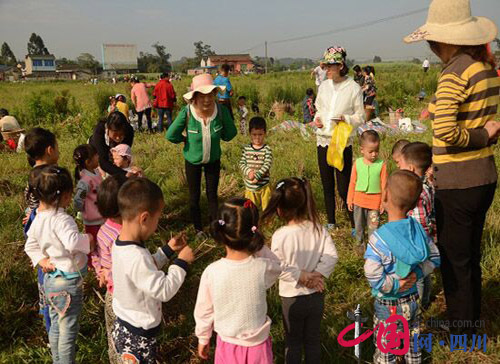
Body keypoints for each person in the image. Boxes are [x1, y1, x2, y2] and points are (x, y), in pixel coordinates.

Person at [404, 0, 500, 334]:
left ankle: (461, 329)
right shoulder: (484, 68)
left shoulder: (454, 72)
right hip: (484, 177)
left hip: (458, 181)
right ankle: (470, 318)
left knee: (456, 260)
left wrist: (480, 135)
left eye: (432, 41)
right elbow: (478, 116)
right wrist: (484, 133)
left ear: (444, 40)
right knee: (470, 253)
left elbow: (446, 130)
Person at [112, 178, 194, 364]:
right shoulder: (136, 256)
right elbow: (163, 290)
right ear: (145, 218)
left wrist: (167, 250)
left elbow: (144, 270)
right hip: (139, 336)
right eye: (157, 219)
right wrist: (181, 263)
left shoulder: (121, 244)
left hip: (126, 326)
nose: (157, 225)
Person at [364, 170, 440, 364]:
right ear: (415, 204)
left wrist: (394, 285)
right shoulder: (416, 229)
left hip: (388, 304)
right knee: (412, 343)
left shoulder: (378, 238)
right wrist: (417, 274)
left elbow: (372, 274)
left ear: (385, 196)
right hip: (413, 300)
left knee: (386, 348)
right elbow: (435, 256)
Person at [194, 198, 281, 364]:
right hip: (259, 348)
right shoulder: (263, 267)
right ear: (253, 231)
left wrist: (203, 338)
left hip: (227, 347)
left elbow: (204, 311)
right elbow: (278, 265)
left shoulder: (212, 272)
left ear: (221, 231)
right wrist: (259, 246)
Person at [261, 178, 338, 364]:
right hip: (316, 294)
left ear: (279, 208)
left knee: (293, 342)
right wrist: (316, 276)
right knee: (312, 340)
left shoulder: (281, 235)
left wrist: (301, 277)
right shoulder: (319, 229)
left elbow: (277, 265)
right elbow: (331, 256)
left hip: (291, 298)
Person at [25, 165, 95, 364]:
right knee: (68, 332)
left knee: (56, 324)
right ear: (65, 196)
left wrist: (41, 260)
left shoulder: (39, 218)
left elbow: (30, 245)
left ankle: (57, 359)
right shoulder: (62, 219)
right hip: (68, 284)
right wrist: (88, 239)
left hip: (51, 281)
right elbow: (72, 242)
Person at [166, 74, 237, 236]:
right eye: (202, 96)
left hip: (213, 160)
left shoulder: (221, 111)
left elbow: (231, 133)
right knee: (194, 195)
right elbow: (170, 135)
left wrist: (220, 136)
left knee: (212, 195)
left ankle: (215, 228)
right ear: (195, 98)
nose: (207, 99)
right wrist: (184, 140)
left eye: (210, 94)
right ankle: (198, 228)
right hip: (193, 161)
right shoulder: (188, 113)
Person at [314, 46, 365, 230]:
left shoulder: (353, 88)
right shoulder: (324, 87)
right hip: (322, 139)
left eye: (330, 66)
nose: (326, 70)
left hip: (341, 141)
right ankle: (331, 222)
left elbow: (361, 116)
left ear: (341, 66)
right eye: (325, 66)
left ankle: (355, 225)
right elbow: (319, 108)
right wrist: (317, 120)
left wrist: (346, 119)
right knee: (326, 184)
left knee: (344, 187)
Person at [23, 127, 60, 338]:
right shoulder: (51, 175)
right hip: (49, 230)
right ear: (49, 149)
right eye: (57, 147)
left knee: (43, 271)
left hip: (34, 231)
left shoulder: (32, 175)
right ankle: (54, 324)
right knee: (52, 270)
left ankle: (48, 319)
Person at [91, 174, 127, 364]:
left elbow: (96, 255)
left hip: (110, 295)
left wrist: (101, 273)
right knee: (126, 338)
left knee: (113, 336)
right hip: (123, 295)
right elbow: (125, 266)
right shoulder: (125, 235)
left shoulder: (104, 229)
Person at [399, 142, 436, 310]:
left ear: (412, 169)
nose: (399, 167)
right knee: (424, 273)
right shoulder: (427, 188)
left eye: (401, 164)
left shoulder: (418, 192)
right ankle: (425, 300)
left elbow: (420, 220)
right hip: (426, 238)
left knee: (418, 274)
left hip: (417, 240)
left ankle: (419, 305)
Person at [347, 130, 387, 249]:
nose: (374, 154)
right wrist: (350, 199)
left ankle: (373, 248)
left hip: (374, 203)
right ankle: (359, 245)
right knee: (359, 226)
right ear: (362, 150)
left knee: (373, 227)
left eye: (376, 151)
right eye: (371, 151)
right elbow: (352, 182)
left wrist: (383, 202)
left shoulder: (382, 164)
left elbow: (384, 184)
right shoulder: (357, 163)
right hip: (358, 201)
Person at [239, 117, 273, 211]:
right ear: (250, 134)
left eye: (260, 134)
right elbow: (242, 163)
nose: (257, 137)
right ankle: (253, 223)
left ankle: (267, 223)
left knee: (267, 207)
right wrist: (248, 172)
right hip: (250, 187)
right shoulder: (246, 149)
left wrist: (257, 176)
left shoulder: (267, 149)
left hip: (264, 186)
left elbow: (267, 164)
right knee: (250, 209)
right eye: (254, 134)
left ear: (265, 133)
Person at [73, 144, 104, 242]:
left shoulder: (96, 172)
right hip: (92, 220)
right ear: (88, 162)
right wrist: (81, 210)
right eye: (95, 155)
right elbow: (79, 198)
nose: (98, 156)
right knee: (94, 243)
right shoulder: (85, 181)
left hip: (101, 215)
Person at [89, 111, 135, 178]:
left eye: (121, 134)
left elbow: (123, 155)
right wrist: (124, 174)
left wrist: (126, 171)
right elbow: (103, 162)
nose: (118, 138)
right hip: (96, 150)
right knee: (101, 175)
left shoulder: (129, 131)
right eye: (115, 134)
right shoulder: (99, 131)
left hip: (112, 151)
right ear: (108, 129)